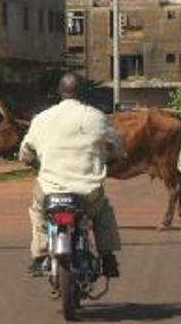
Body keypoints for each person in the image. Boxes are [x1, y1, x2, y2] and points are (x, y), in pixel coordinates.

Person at [19, 72, 126, 278]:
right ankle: (108, 257)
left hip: (50, 190)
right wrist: (112, 157)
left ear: (59, 92)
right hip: (88, 192)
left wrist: (31, 160)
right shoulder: (97, 117)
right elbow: (118, 148)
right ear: (84, 93)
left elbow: (26, 151)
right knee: (103, 211)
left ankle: (40, 255)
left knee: (37, 211)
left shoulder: (42, 118)